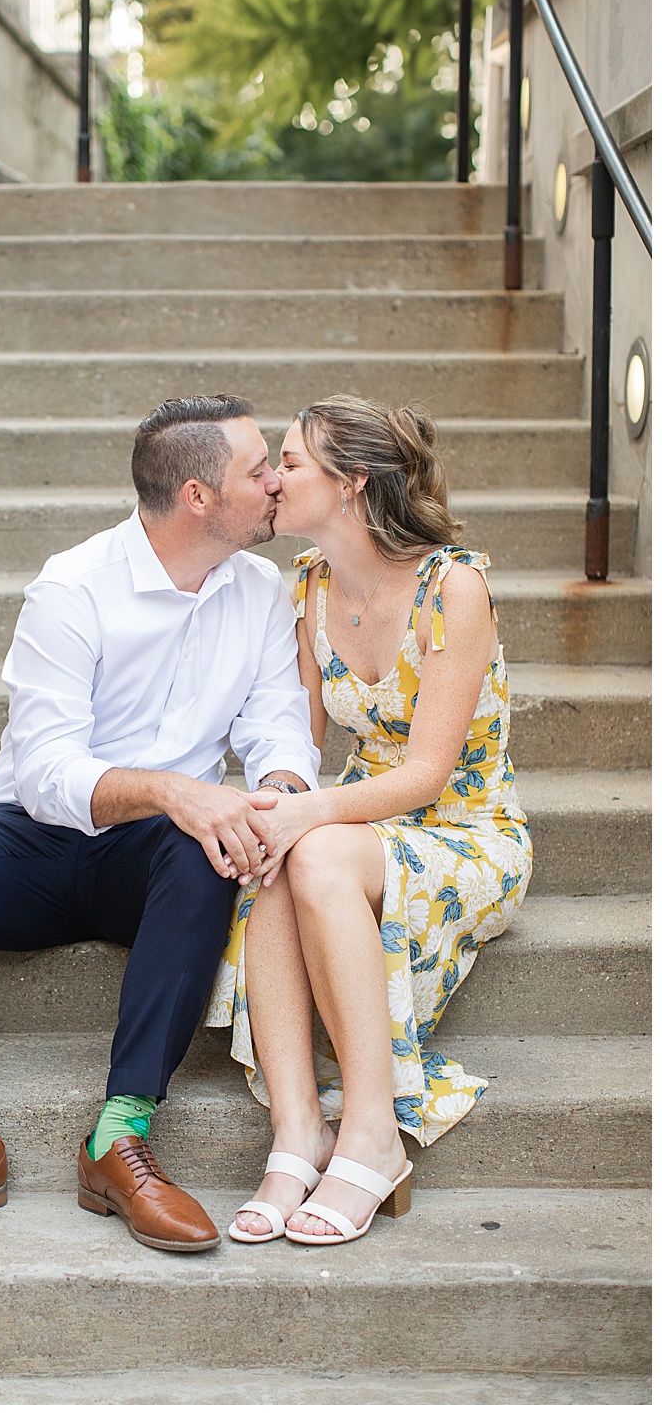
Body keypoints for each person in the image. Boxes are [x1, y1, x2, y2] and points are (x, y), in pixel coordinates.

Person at [0, 394, 318, 1254]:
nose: (277, 482)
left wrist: (271, 789)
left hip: (161, 869)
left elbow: (278, 727)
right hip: (34, 850)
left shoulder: (261, 589)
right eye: (258, 468)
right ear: (199, 497)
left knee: (208, 846)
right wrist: (171, 790)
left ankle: (119, 1139)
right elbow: (46, 772)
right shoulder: (74, 585)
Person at [210, 396, 531, 1247]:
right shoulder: (308, 588)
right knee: (280, 857)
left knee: (309, 853)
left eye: (291, 463)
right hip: (356, 820)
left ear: (351, 485)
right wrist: (272, 806)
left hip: (465, 828)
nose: (272, 479)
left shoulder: (453, 587)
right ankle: (296, 1133)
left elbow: (428, 776)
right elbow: (298, 746)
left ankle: (374, 1133)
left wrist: (303, 816)